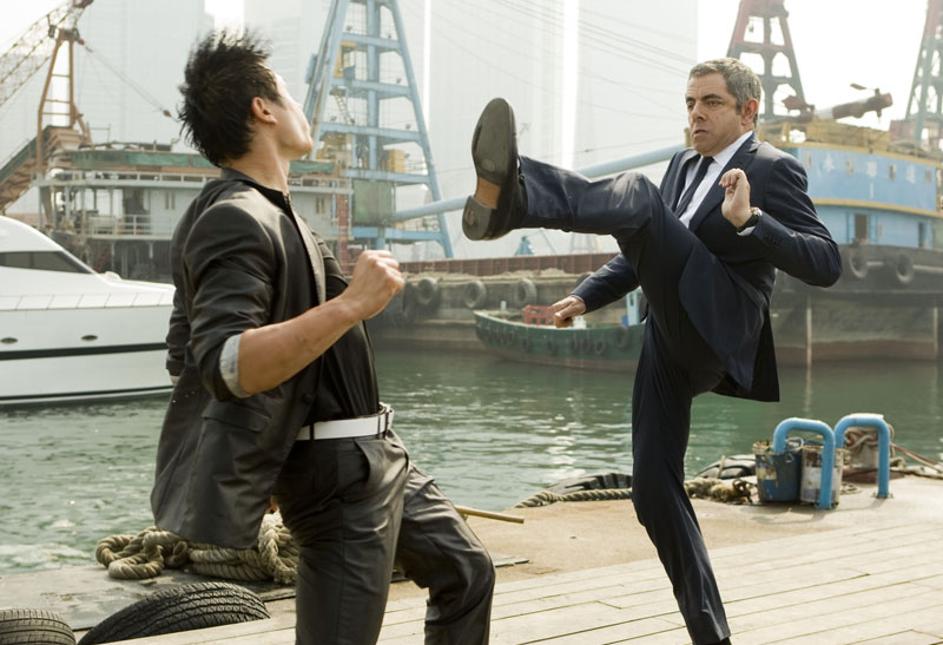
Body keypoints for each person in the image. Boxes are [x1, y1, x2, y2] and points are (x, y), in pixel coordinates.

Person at [462, 58, 841, 645]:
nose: (695, 114)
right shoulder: (683, 166)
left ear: (747, 111)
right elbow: (646, 244)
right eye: (690, 102)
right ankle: (711, 634)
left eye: (710, 102)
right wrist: (586, 296)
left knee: (636, 195)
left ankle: (517, 198)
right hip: (667, 333)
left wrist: (751, 219)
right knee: (652, 492)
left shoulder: (772, 168)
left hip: (715, 324)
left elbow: (826, 262)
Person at [151, 31, 494, 645]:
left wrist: (261, 451)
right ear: (263, 109)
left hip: (376, 452)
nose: (299, 108)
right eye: (288, 94)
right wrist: (351, 303)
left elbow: (182, 350)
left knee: (466, 573)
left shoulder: (271, 211)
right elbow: (224, 364)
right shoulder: (235, 218)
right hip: (336, 475)